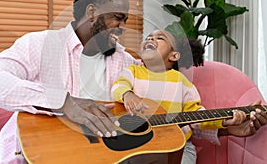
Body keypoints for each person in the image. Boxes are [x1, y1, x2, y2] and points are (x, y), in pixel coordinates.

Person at [0, 0, 267, 163]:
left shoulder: (127, 63)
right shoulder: (40, 44)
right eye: (117, 18)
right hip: (36, 154)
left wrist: (226, 129)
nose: (124, 28)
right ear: (92, 13)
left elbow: (162, 116)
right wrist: (63, 102)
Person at [111, 29, 267, 163]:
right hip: (140, 147)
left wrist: (225, 120)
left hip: (179, 147)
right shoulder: (133, 71)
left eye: (159, 38)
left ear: (174, 55)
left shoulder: (181, 82)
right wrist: (127, 94)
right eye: (148, 37)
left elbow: (197, 117)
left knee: (186, 155)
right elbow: (118, 86)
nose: (150, 38)